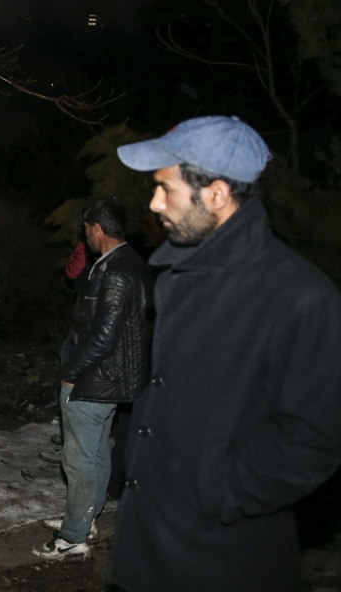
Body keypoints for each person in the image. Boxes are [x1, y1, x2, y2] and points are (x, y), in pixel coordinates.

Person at [111, 116, 341, 591]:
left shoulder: (298, 295)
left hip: (222, 557)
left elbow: (315, 441)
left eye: (165, 190)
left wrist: (219, 490)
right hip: (150, 544)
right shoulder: (177, 277)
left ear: (216, 194)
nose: (153, 205)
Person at [34, 197, 152, 560]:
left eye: (86, 229)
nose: (84, 235)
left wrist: (71, 372)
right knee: (98, 452)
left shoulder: (116, 271)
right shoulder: (126, 261)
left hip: (96, 379)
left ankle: (72, 538)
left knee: (79, 458)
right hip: (109, 378)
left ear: (98, 228)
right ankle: (84, 519)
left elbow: (104, 336)